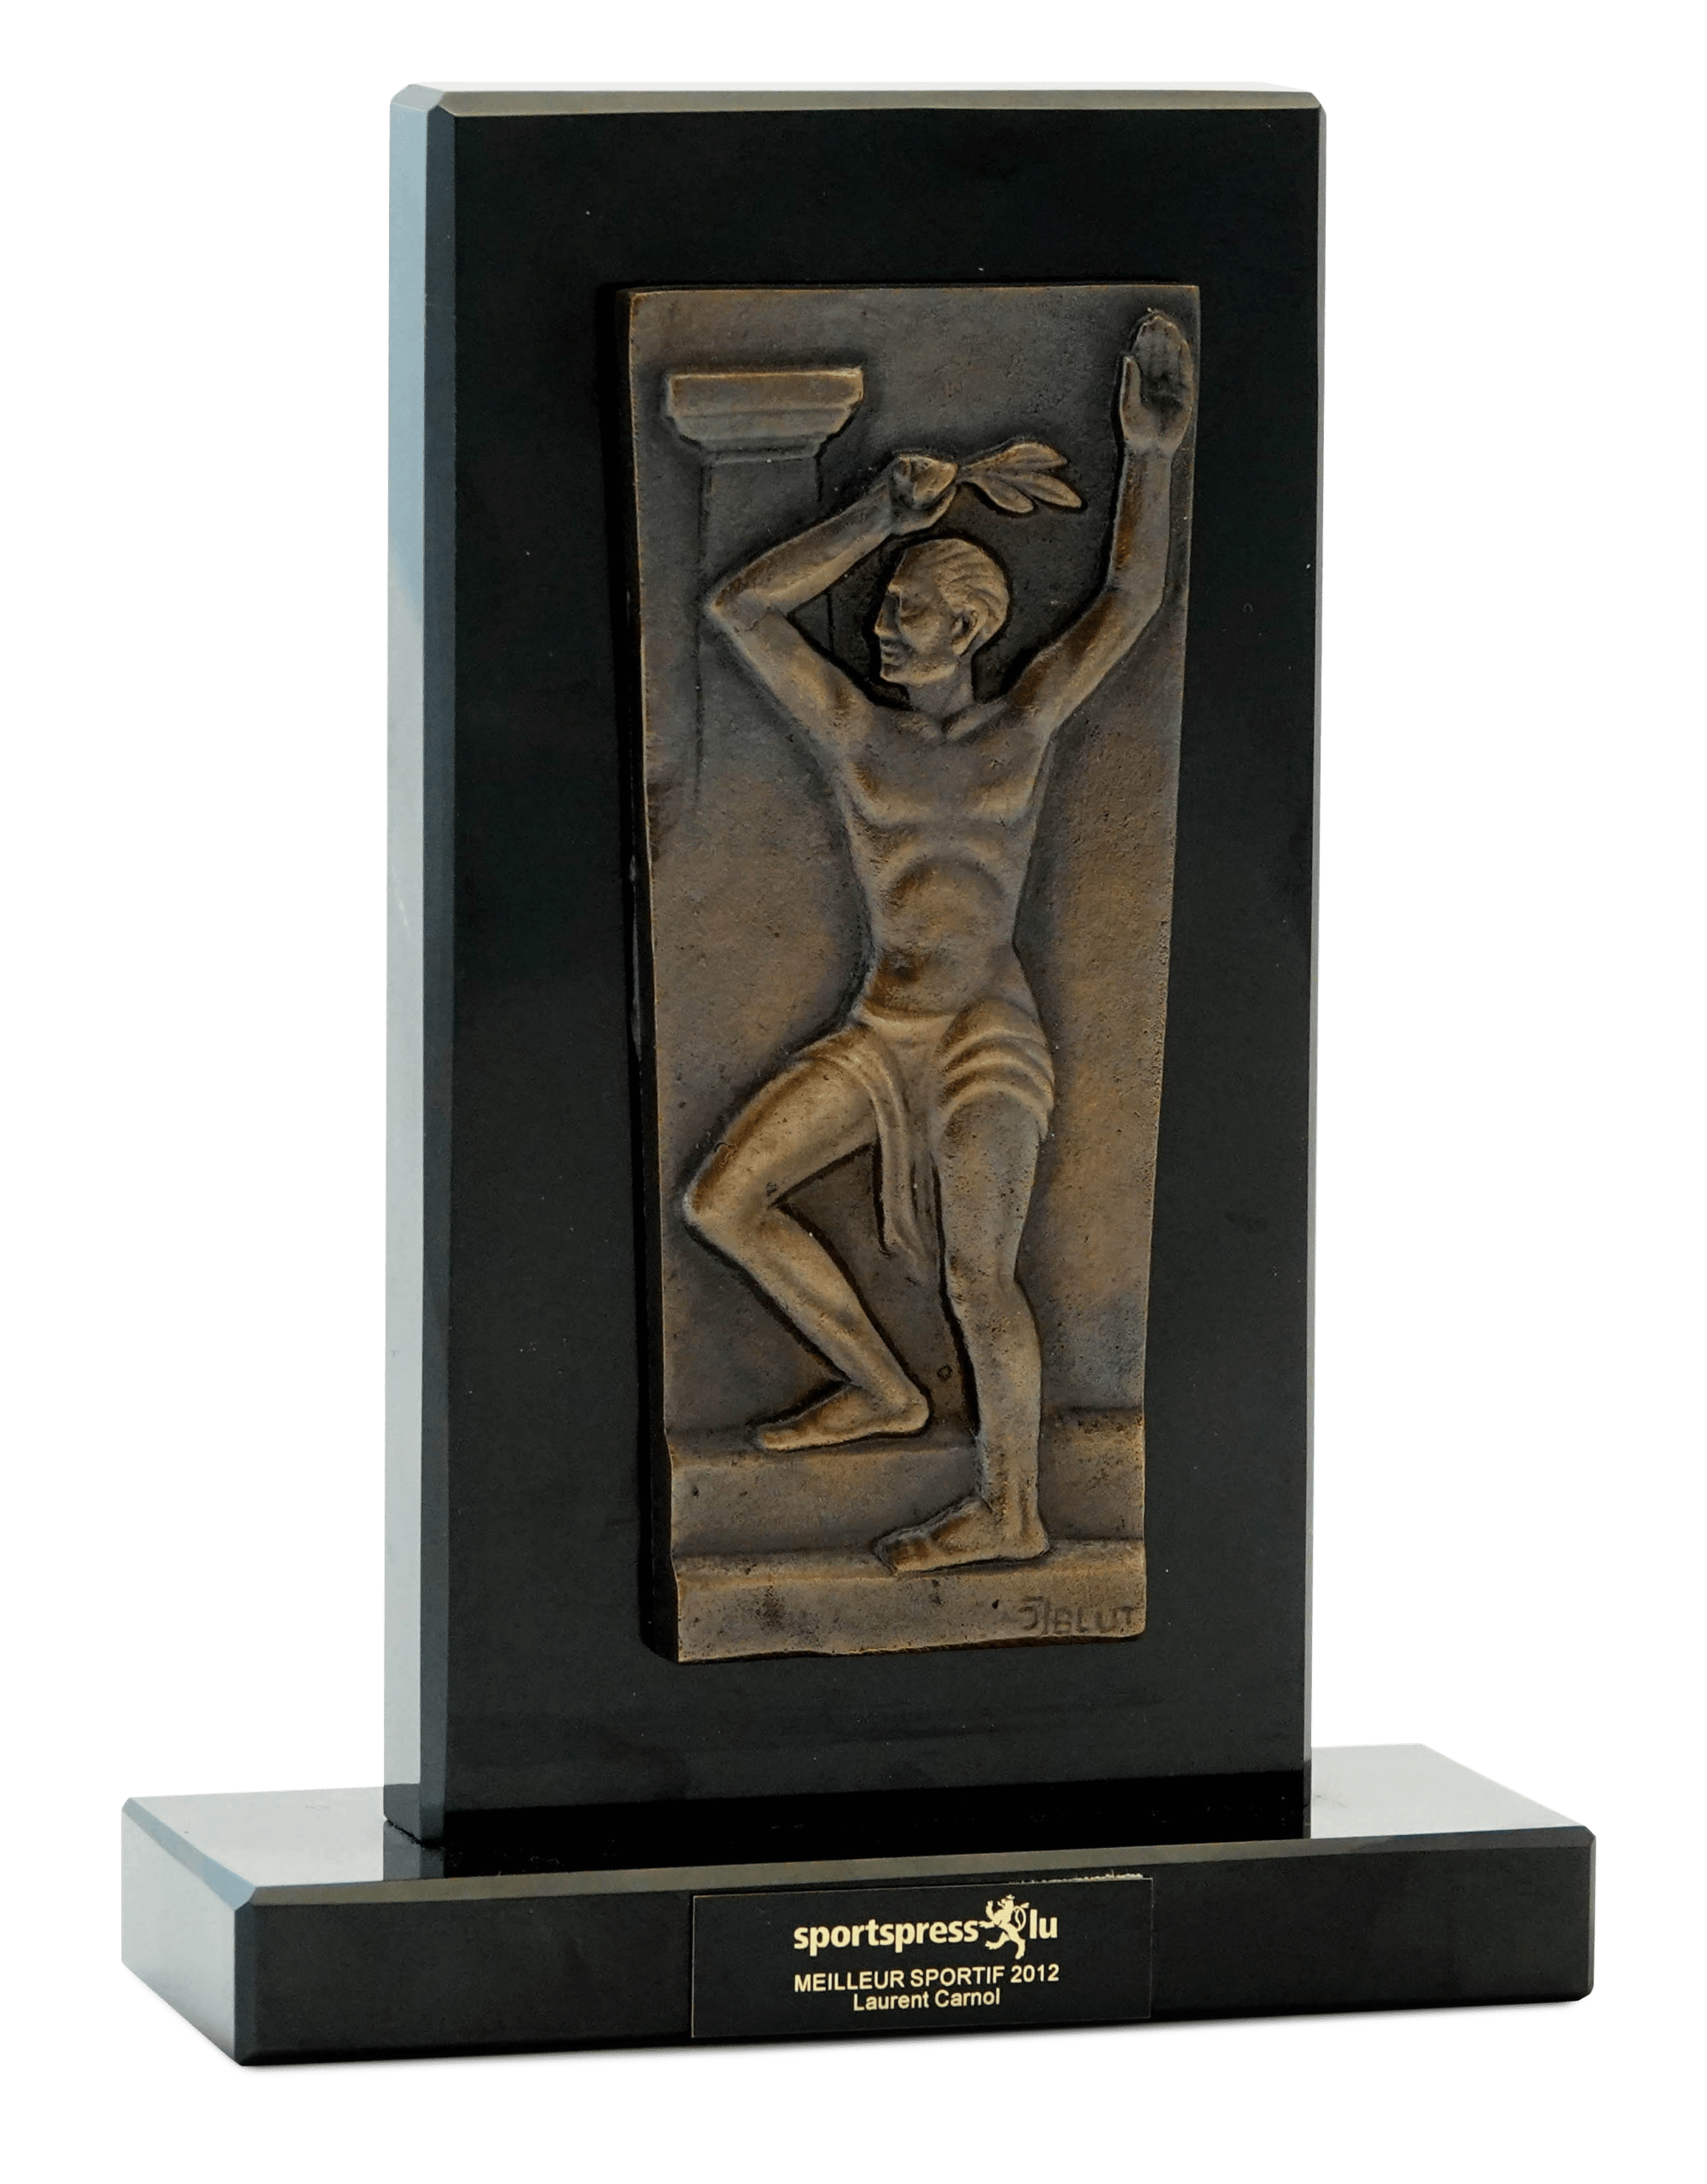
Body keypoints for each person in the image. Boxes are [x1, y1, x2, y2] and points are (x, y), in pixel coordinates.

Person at [686, 312, 1196, 1574]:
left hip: (981, 1036)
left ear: (966, 630)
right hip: (881, 1033)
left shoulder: (1023, 731)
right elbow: (739, 607)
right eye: (888, 606)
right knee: (722, 1199)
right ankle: (882, 1389)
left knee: (981, 1274)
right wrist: (876, 519)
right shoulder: (856, 733)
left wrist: (1150, 453)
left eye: (908, 611)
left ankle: (1010, 1510)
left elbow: (1132, 599)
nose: (881, 624)